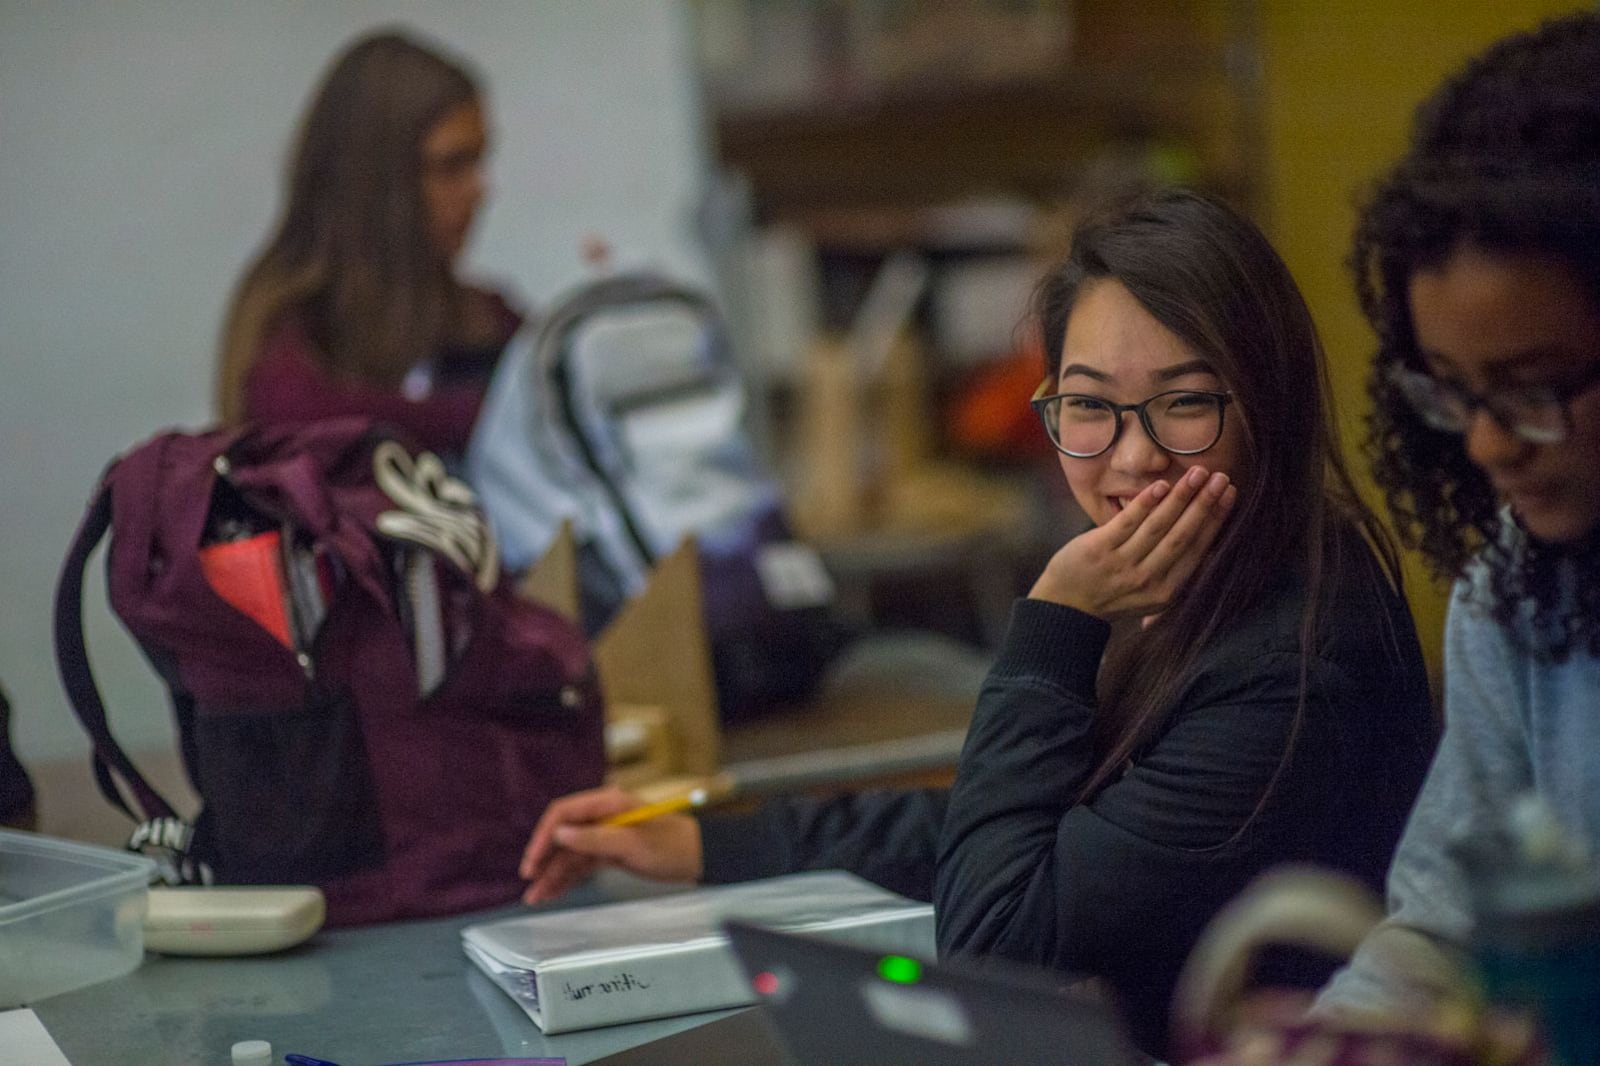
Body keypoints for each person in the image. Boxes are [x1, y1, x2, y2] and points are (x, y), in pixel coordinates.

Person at [520, 189, 1438, 1057]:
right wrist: (711, 842)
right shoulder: (1193, 584)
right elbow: (1018, 830)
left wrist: (1055, 623)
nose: (1133, 456)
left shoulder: (1295, 662)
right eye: (1087, 406)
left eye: (1186, 402)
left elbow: (996, 941)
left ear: (1267, 406)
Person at [1315, 10, 1600, 1021]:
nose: (1484, 446)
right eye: (1452, 394)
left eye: (1532, 388)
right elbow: (1440, 932)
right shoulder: (1516, 597)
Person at [215, 29, 520, 458]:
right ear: (376, 181)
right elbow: (307, 422)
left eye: (479, 161)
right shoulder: (287, 326)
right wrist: (501, 416)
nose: (479, 190)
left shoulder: (487, 319)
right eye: (452, 165)